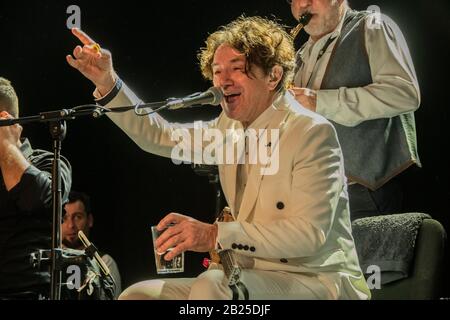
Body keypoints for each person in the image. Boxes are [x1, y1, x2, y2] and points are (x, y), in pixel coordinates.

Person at [66, 16, 370, 299]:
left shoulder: (311, 132)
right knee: (138, 295)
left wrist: (215, 235)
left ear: (274, 75)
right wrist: (108, 82)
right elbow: (158, 136)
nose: (222, 81)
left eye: (236, 69)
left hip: (316, 281)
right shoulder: (228, 127)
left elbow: (308, 235)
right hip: (250, 274)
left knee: (214, 286)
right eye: (217, 71)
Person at [289, 0, 421, 220]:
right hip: (312, 197)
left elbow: (404, 93)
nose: (302, 4)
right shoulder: (300, 55)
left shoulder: (373, 25)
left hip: (364, 192)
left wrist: (319, 101)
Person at [0, 77, 72, 299]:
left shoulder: (48, 162)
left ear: (4, 119)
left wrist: (6, 146)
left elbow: (40, 200)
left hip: (25, 293)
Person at [62, 190, 122, 298]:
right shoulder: (48, 262)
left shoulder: (105, 262)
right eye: (64, 218)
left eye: (78, 217)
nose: (70, 225)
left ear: (89, 220)